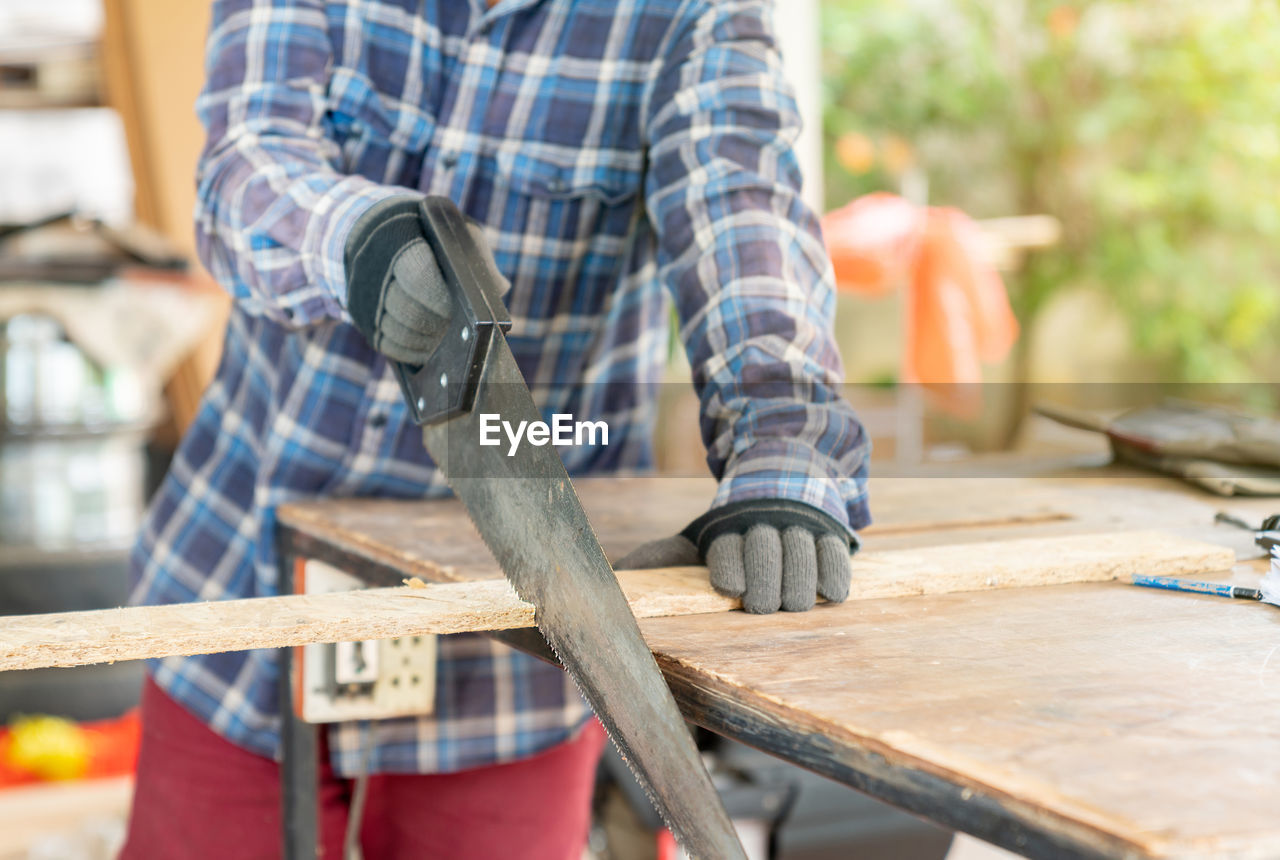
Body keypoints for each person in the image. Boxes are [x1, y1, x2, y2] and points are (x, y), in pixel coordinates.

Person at [121, 1, 870, 857]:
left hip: (510, 658)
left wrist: (782, 451)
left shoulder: (690, 17)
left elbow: (746, 225)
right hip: (243, 593)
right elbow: (241, 164)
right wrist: (352, 237)